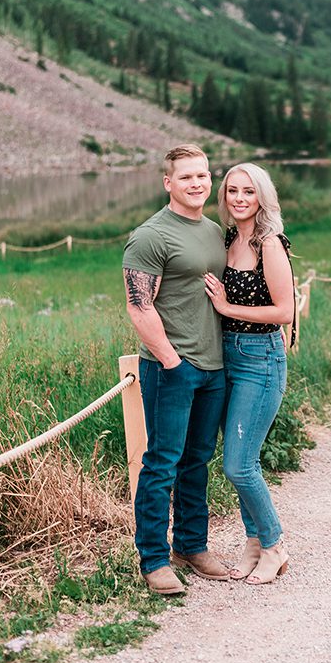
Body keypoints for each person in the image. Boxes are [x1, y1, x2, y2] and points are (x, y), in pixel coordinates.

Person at [123, 143, 229, 595]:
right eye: (186, 177)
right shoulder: (150, 235)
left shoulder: (213, 230)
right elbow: (138, 305)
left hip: (215, 365)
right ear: (168, 182)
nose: (197, 183)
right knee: (162, 463)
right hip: (172, 367)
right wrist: (171, 360)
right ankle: (153, 558)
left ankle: (192, 544)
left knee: (197, 461)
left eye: (203, 175)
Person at [204, 162, 294, 585]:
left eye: (248, 192)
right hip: (227, 357)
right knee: (243, 458)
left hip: (260, 357)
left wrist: (226, 308)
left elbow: (284, 311)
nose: (239, 198)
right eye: (232, 191)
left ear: (262, 197)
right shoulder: (227, 238)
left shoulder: (268, 243)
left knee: (239, 465)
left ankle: (274, 545)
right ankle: (253, 542)